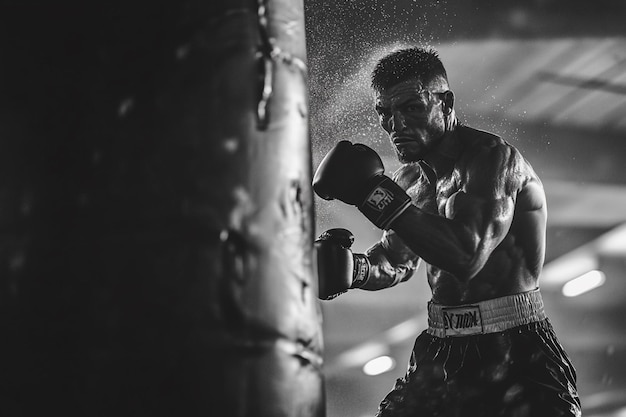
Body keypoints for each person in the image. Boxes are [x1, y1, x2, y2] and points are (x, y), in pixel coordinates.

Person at [312, 46, 581, 417]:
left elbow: (466, 255)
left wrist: (373, 196)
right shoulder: (407, 181)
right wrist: (352, 269)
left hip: (516, 345)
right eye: (384, 113)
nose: (396, 125)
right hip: (441, 348)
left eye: (412, 108)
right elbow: (395, 259)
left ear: (446, 103)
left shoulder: (493, 160)